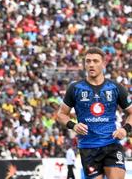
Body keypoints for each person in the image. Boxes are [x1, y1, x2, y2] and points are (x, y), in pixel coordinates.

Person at [56, 47, 132, 179]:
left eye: (95, 61)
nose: (91, 64)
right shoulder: (75, 88)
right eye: (88, 61)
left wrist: (125, 129)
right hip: (88, 148)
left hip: (111, 144)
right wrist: (73, 125)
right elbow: (61, 114)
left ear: (103, 64)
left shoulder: (115, 88)